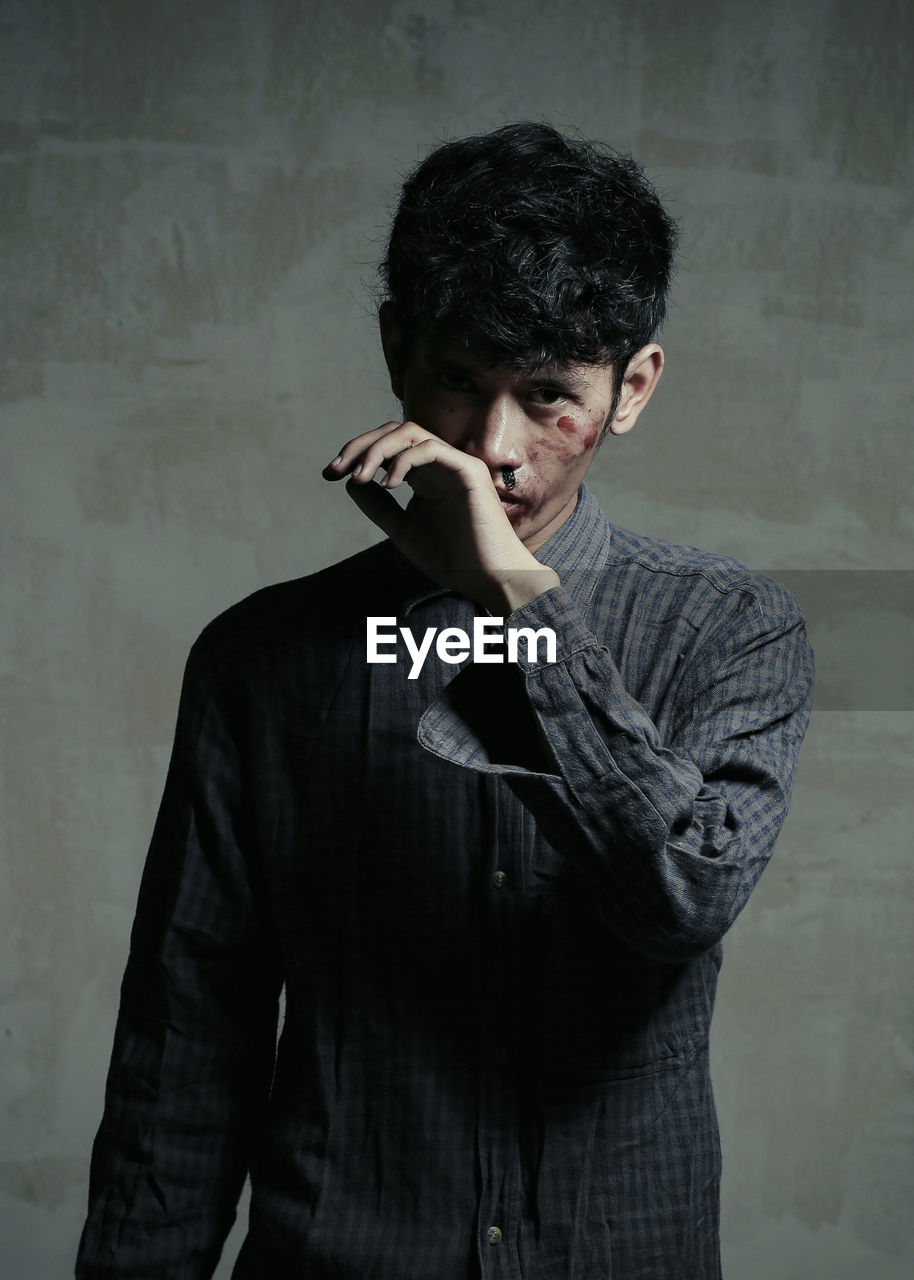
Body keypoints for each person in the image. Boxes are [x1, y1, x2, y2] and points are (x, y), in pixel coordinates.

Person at [76, 122, 814, 1280]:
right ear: (393, 349)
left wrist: (516, 599)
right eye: (457, 384)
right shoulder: (262, 658)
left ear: (633, 387)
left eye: (549, 397)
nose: (492, 451)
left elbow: (681, 890)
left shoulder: (731, 630)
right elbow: (189, 1033)